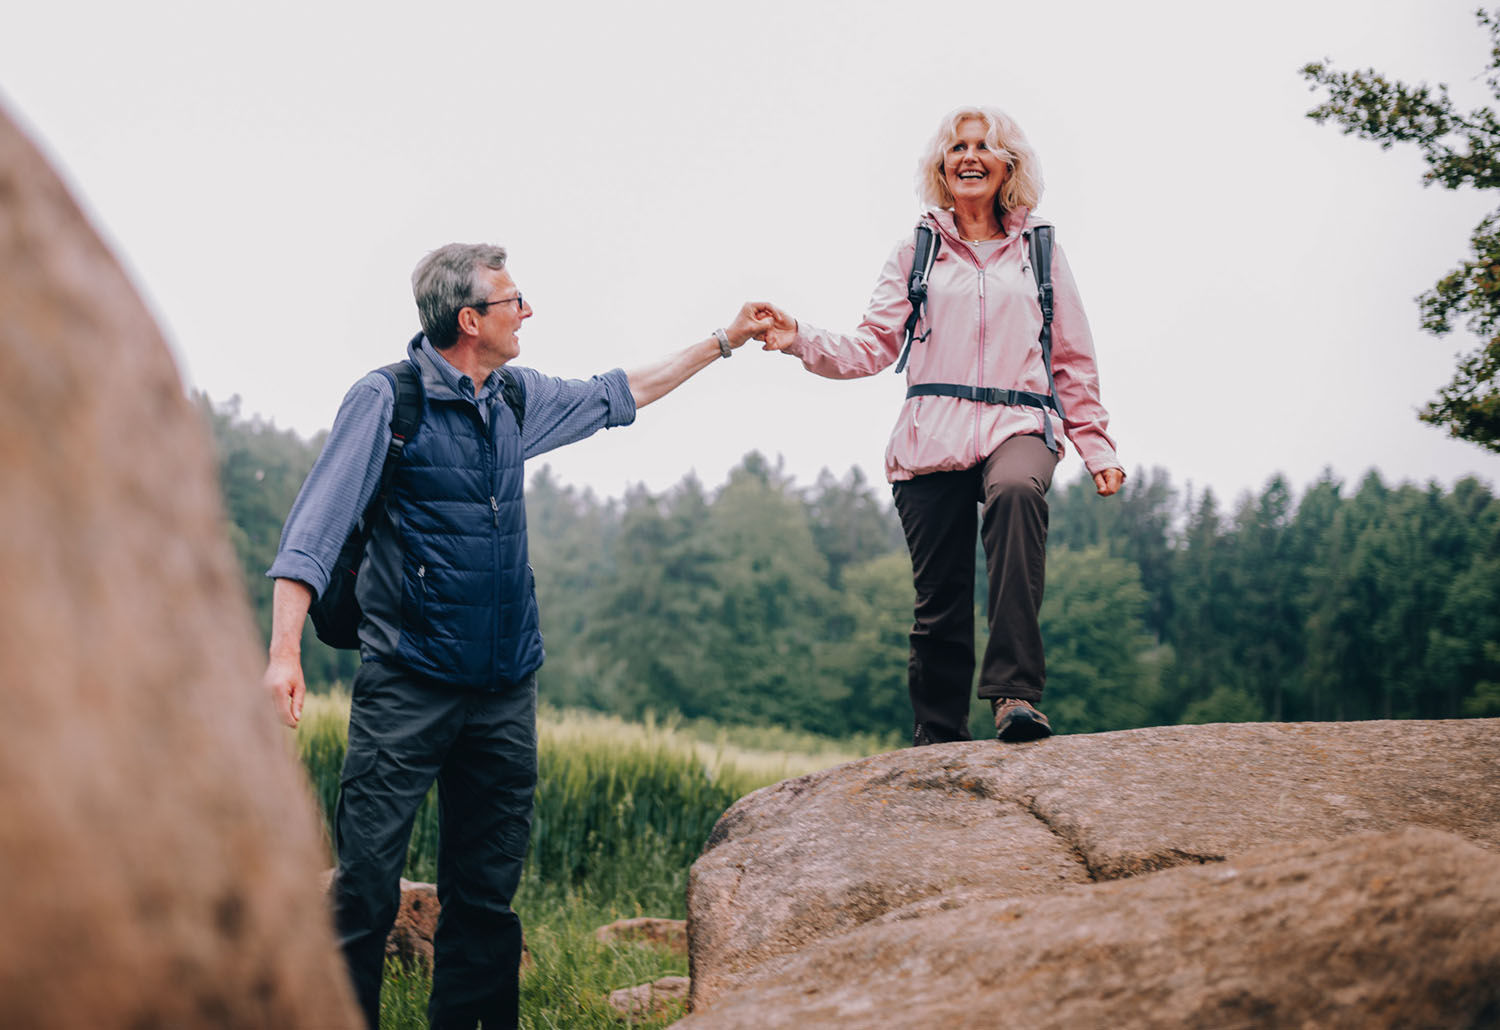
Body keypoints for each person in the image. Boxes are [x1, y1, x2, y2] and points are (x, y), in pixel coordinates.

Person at [261, 242, 772, 1030]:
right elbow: (314, 531)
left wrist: (724, 341)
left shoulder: (514, 400)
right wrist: (283, 653)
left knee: (487, 899)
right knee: (363, 889)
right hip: (407, 685)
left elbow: (620, 393)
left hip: (503, 688)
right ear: (470, 320)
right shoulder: (386, 402)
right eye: (513, 301)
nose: (527, 312)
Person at [757, 106, 1125, 746]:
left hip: (1019, 422)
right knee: (941, 599)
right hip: (932, 430)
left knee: (1014, 493)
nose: (969, 156)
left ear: (1008, 164)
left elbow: (1071, 357)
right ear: (942, 166)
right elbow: (871, 347)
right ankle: (938, 735)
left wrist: (1095, 446)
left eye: (985, 146)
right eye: (957, 147)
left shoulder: (1040, 251)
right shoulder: (915, 251)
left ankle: (1014, 695)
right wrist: (797, 339)